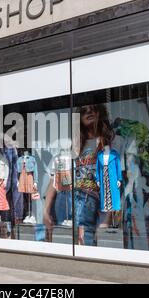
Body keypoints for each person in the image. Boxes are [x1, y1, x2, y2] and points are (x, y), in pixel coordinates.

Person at [44, 104, 114, 245]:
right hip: (65, 200)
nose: (88, 111)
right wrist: (45, 211)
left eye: (92, 108)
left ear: (100, 112)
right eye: (83, 111)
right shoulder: (71, 146)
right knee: (62, 245)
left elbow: (112, 184)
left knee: (86, 247)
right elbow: (55, 178)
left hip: (91, 201)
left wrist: (106, 219)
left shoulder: (110, 144)